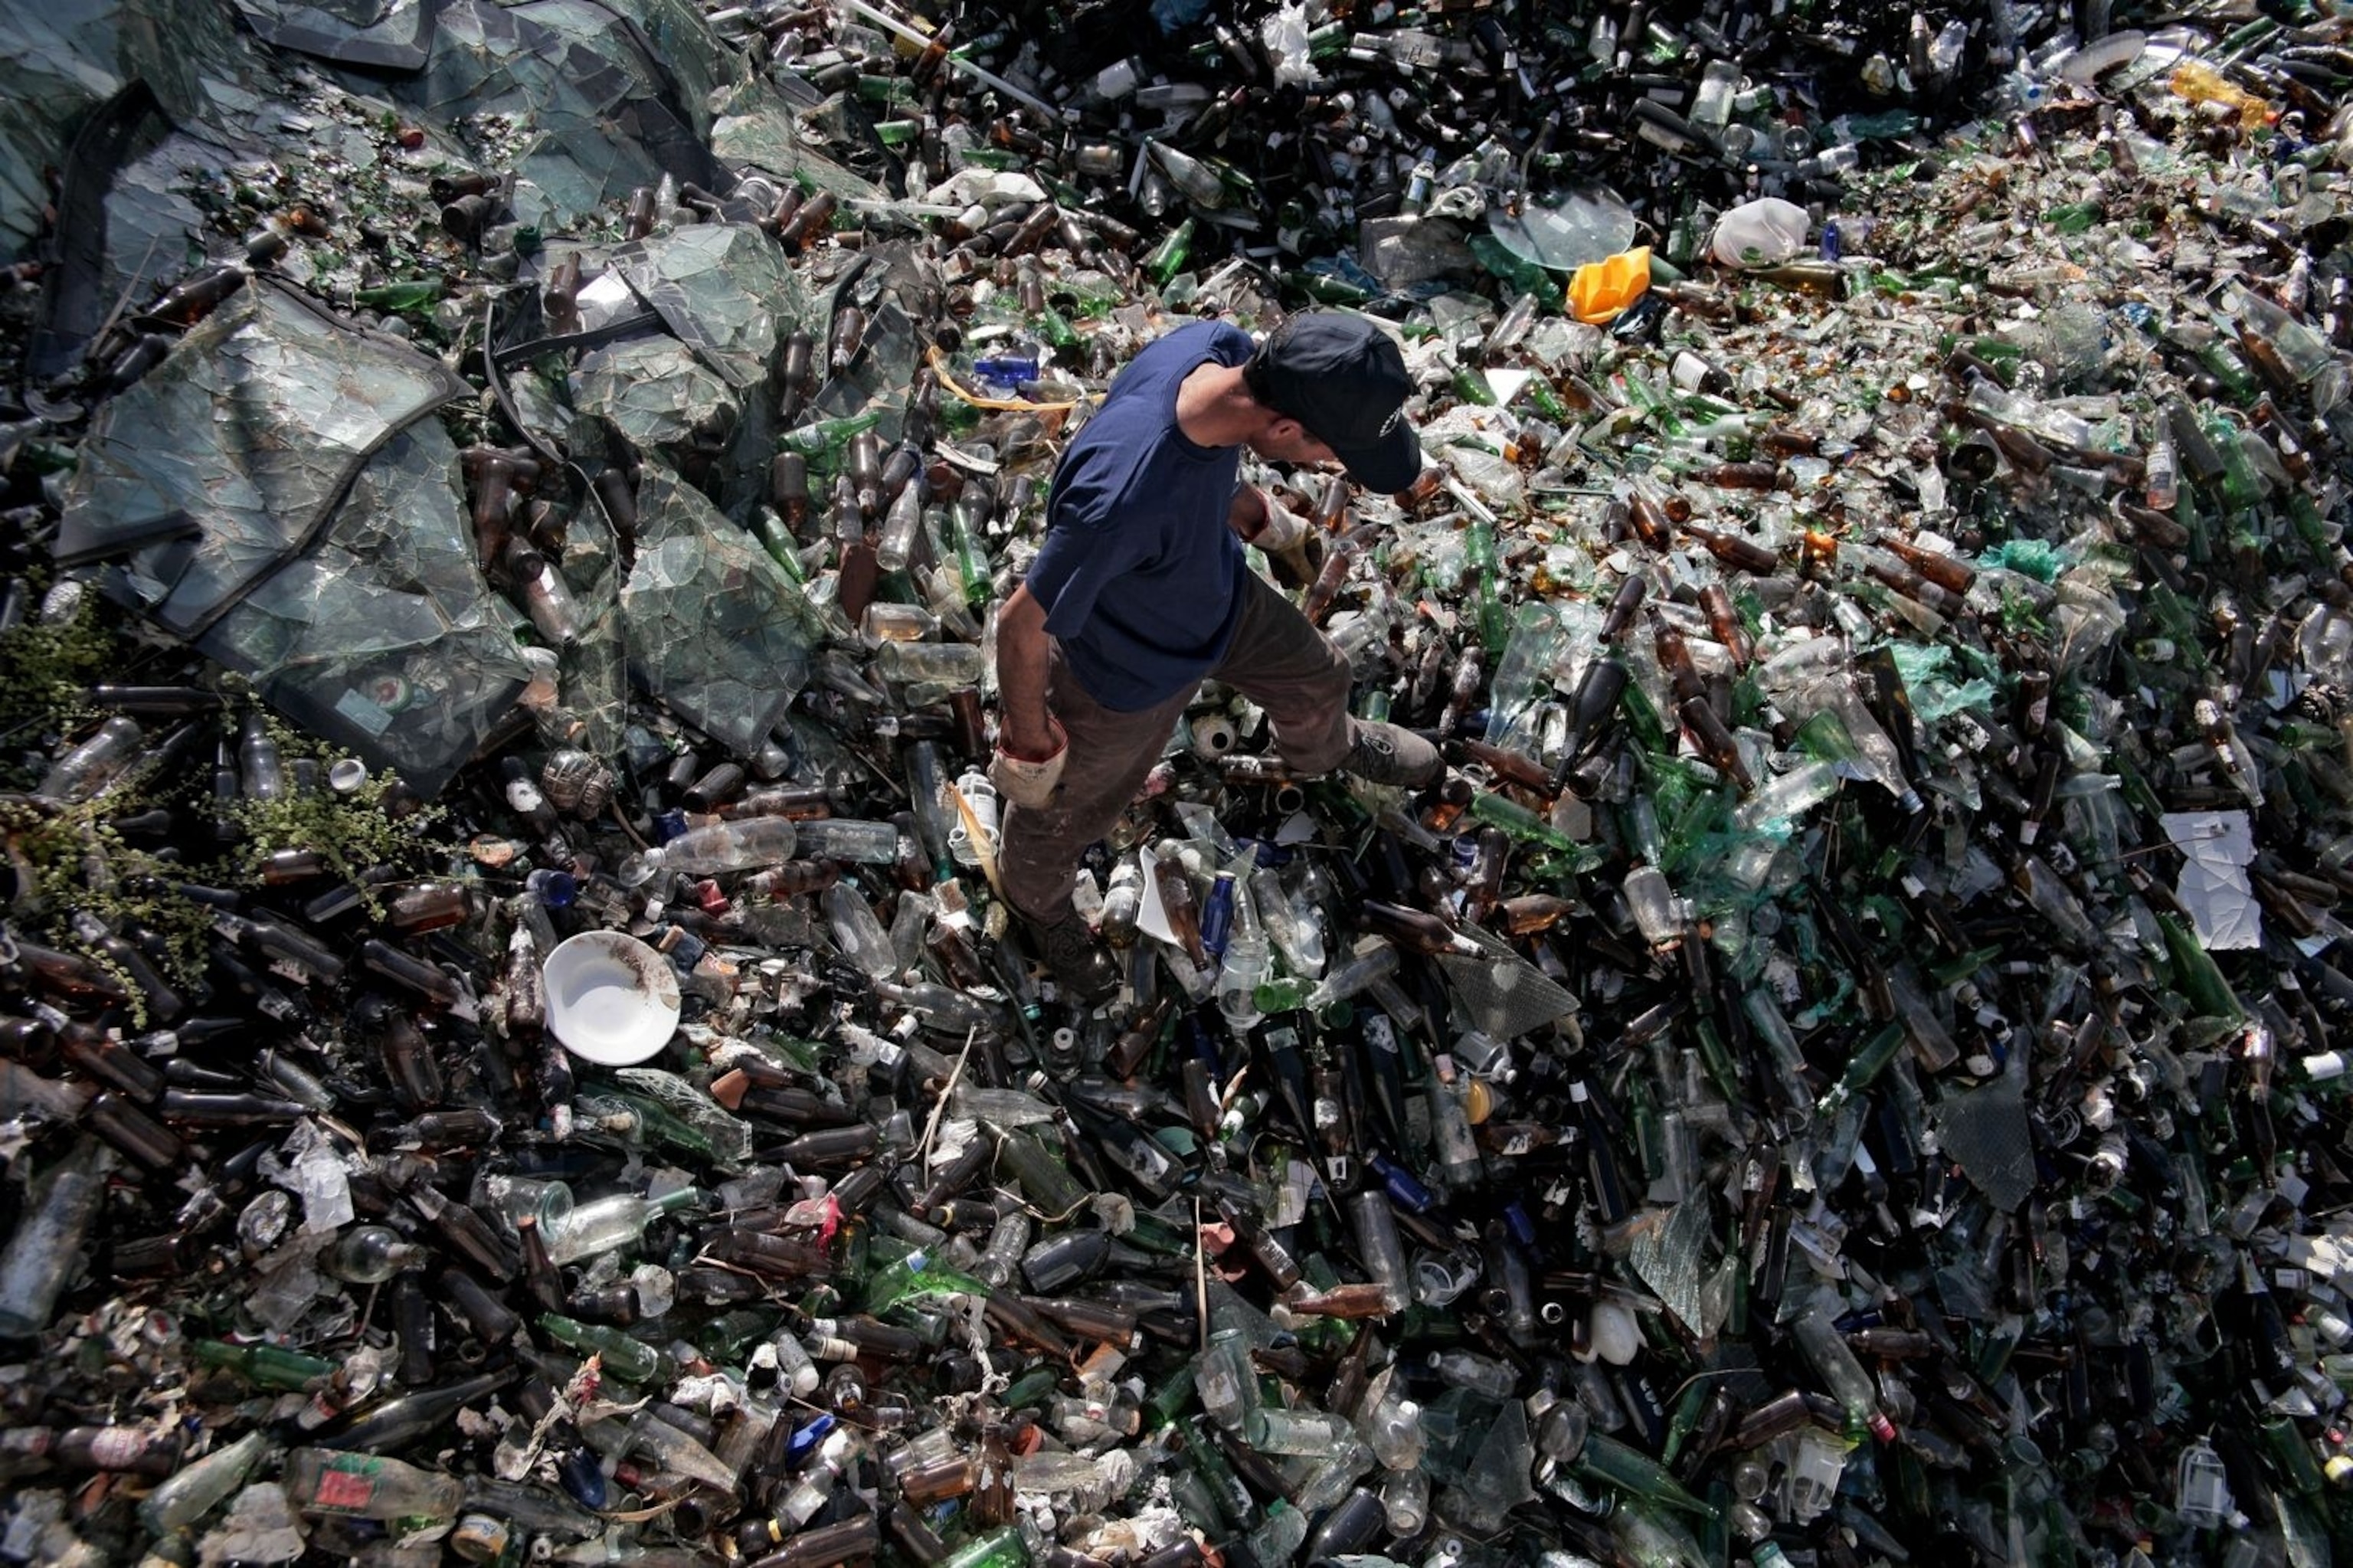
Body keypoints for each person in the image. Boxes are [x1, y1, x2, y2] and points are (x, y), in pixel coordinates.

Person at [988, 310, 1443, 1003]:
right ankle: (1038, 907)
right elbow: (1020, 625)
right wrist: (1028, 743)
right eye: (1332, 456)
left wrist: (1250, 512)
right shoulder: (1121, 497)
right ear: (1288, 431)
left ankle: (1330, 750)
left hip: (1216, 596)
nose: (1330, 469)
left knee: (1322, 674)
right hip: (1125, 676)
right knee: (1063, 818)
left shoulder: (1217, 348)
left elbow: (1202, 469)